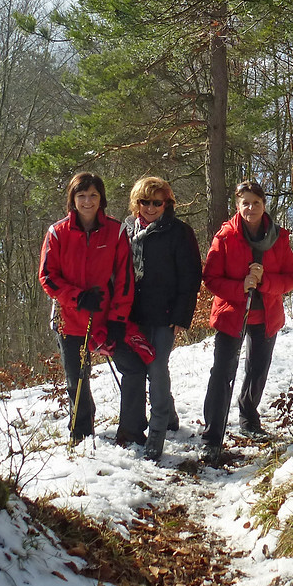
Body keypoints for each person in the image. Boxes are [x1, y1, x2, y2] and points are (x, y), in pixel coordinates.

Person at [200, 179, 293, 465]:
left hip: (266, 315)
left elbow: (292, 277)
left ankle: (249, 419)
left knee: (257, 370)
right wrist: (241, 286)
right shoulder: (225, 237)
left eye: (256, 202)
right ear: (237, 205)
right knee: (222, 373)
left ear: (264, 205)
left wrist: (264, 281)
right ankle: (212, 437)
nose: (251, 208)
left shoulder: (279, 237)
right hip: (232, 314)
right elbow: (211, 278)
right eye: (245, 203)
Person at [39, 171, 131, 443]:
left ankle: (134, 427)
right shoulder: (57, 233)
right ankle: (81, 433)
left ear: (101, 198)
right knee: (77, 379)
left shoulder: (116, 231)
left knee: (133, 369)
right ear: (73, 199)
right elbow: (47, 276)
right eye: (81, 196)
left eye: (93, 195)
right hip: (69, 319)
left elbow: (125, 279)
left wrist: (118, 318)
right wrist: (76, 297)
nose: (87, 201)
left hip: (107, 317)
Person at [114, 176, 201, 461]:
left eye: (157, 202)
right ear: (136, 203)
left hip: (165, 314)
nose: (150, 208)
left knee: (157, 367)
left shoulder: (179, 232)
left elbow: (190, 277)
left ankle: (157, 431)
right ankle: (171, 416)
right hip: (133, 313)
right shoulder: (127, 230)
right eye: (144, 202)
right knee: (142, 368)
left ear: (167, 204)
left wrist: (181, 315)